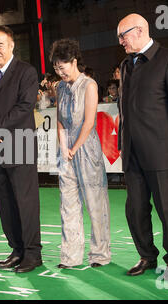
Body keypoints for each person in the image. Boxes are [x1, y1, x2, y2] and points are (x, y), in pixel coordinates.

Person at [117, 14, 168, 280]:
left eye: (123, 35)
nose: (121, 42)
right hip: (132, 152)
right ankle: (146, 256)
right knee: (135, 209)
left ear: (139, 31)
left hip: (161, 150)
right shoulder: (126, 65)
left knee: (167, 207)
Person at [0, 25, 42, 273]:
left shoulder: (26, 72)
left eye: (0, 45)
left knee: (26, 202)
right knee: (5, 202)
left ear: (11, 46)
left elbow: (24, 107)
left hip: (20, 144)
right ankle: (16, 249)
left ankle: (33, 254)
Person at [50, 39, 111, 269]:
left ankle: (100, 254)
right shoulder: (60, 87)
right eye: (56, 68)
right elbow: (59, 120)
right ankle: (70, 257)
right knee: (68, 204)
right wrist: (64, 147)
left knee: (95, 203)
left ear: (74, 61)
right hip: (65, 151)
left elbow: (89, 121)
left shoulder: (90, 85)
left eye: (62, 66)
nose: (59, 72)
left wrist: (74, 148)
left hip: (86, 149)